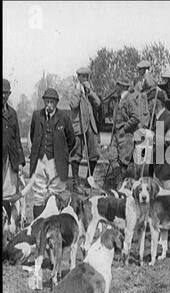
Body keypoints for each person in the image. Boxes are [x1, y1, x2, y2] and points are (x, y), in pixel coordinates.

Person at [29, 88, 76, 218]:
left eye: (52, 102)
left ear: (56, 103)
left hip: (57, 162)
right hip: (40, 161)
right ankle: (38, 223)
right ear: (43, 101)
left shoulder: (64, 117)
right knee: (39, 194)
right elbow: (34, 136)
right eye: (47, 102)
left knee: (56, 193)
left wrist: (62, 154)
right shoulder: (36, 116)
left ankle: (55, 222)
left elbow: (71, 140)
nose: (49, 105)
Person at [69, 67, 101, 193]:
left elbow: (98, 103)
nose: (84, 79)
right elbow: (73, 105)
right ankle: (75, 183)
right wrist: (78, 91)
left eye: (86, 77)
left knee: (94, 153)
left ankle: (89, 179)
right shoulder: (75, 91)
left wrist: (90, 92)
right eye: (82, 77)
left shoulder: (90, 92)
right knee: (76, 153)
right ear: (78, 77)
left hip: (90, 126)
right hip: (79, 126)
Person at [148, 88, 170, 191]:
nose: (148, 106)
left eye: (149, 102)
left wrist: (153, 138)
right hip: (159, 170)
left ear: (155, 102)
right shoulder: (157, 119)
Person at [107, 79, 140, 186]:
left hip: (126, 136)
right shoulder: (119, 99)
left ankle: (120, 186)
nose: (116, 87)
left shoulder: (129, 100)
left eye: (118, 85)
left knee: (122, 161)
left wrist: (124, 128)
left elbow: (136, 117)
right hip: (117, 135)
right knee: (112, 156)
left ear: (123, 86)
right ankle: (119, 181)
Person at [3, 79, 25, 198]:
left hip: (11, 159)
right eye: (1, 92)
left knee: (11, 191)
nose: (3, 95)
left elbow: (17, 138)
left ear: (9, 94)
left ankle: (8, 214)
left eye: (5, 93)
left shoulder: (13, 113)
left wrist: (20, 161)